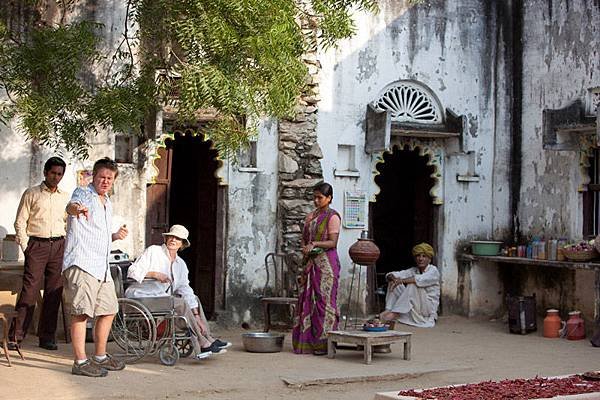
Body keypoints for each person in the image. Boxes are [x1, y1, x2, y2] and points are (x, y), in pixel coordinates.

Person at [62, 157, 128, 377]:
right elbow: (71, 206)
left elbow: (97, 234)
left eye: (110, 178)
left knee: (109, 310)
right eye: (102, 177)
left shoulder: (107, 202)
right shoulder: (83, 194)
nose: (106, 181)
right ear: (94, 176)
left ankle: (100, 356)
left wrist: (115, 236)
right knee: (81, 313)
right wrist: (76, 210)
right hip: (82, 263)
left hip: (101, 267)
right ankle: (80, 362)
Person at [125, 224, 231, 360]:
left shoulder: (180, 264)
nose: (173, 240)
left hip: (162, 299)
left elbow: (185, 289)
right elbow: (132, 272)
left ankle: (207, 337)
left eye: (178, 239)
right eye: (171, 237)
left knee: (194, 299)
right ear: (167, 238)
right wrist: (154, 274)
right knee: (179, 303)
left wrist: (197, 316)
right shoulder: (153, 251)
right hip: (142, 296)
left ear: (182, 244)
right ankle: (202, 341)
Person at [9, 157, 69, 350]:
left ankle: (47, 337)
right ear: (45, 172)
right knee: (29, 291)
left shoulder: (65, 197)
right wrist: (27, 247)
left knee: (53, 292)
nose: (56, 177)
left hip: (58, 246)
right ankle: (16, 336)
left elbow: (68, 223)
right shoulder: (32, 193)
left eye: (59, 174)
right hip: (37, 245)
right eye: (53, 173)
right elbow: (20, 222)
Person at [292, 182, 341, 355]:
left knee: (324, 303)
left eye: (320, 197)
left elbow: (333, 242)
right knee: (308, 301)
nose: (316, 200)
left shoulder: (332, 217)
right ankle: (309, 343)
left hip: (327, 265)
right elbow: (304, 239)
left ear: (329, 198)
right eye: (314, 197)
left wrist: (315, 244)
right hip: (311, 263)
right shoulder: (310, 217)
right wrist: (306, 247)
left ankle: (325, 344)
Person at [379, 243, 440, 328]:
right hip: (416, 305)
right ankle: (389, 310)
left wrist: (400, 281)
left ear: (429, 259)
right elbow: (394, 274)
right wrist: (393, 278)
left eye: (424, 256)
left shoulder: (433, 271)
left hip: (427, 308)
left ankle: (394, 314)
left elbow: (419, 280)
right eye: (418, 256)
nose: (420, 259)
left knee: (413, 284)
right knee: (393, 282)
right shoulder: (413, 270)